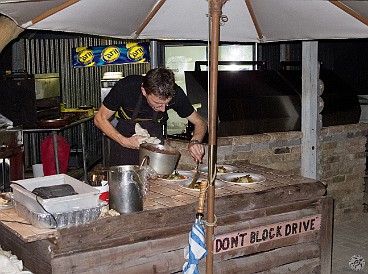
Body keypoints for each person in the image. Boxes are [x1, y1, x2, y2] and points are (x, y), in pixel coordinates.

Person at [94, 67, 207, 166]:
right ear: (144, 91)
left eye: (167, 104)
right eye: (158, 103)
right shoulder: (127, 87)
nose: (163, 109)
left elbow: (200, 122)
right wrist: (125, 141)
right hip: (123, 145)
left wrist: (195, 141)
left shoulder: (176, 93)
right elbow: (99, 118)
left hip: (155, 146)